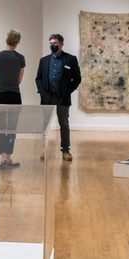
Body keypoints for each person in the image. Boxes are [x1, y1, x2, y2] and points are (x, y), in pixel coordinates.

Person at [34, 33, 81, 162]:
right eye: (51, 44)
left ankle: (65, 150)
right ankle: (44, 150)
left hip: (62, 98)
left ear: (61, 44)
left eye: (55, 43)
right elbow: (38, 78)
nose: (52, 46)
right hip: (47, 98)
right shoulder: (44, 61)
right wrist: (42, 91)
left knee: (64, 124)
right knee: (45, 125)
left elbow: (77, 78)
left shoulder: (70, 59)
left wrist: (68, 91)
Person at [0, 29, 25, 169]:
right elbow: (19, 80)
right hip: (15, 94)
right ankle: (8, 157)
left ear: (7, 39)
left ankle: (3, 158)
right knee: (12, 126)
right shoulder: (20, 58)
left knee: (1, 125)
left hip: (1, 94)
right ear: (17, 42)